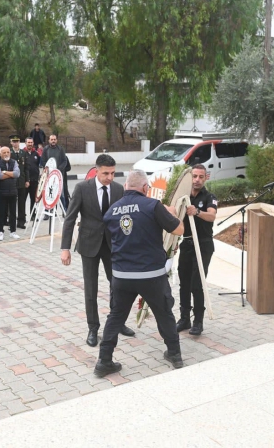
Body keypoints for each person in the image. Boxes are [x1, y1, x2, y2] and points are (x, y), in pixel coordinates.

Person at [95, 169, 185, 377]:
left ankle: (103, 361)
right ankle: (175, 354)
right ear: (146, 188)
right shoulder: (153, 205)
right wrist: (171, 213)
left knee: (116, 316)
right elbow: (178, 230)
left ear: (126, 187)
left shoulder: (111, 211)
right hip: (151, 275)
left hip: (122, 276)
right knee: (164, 313)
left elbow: (111, 242)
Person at [61, 154, 134, 347]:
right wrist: (65, 248)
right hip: (88, 245)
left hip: (113, 246)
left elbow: (125, 218)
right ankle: (93, 328)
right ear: (96, 170)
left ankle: (118, 322)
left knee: (117, 286)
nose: (110, 177)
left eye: (112, 173)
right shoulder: (82, 188)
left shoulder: (119, 189)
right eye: (105, 173)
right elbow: (70, 218)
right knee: (90, 288)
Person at [176, 164, 218, 336]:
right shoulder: (184, 197)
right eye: (194, 176)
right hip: (186, 244)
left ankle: (198, 321)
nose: (197, 180)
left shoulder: (209, 197)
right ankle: (184, 318)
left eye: (201, 177)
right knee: (184, 283)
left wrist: (197, 211)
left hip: (203, 244)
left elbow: (212, 215)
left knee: (197, 284)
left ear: (206, 178)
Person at [0, 147, 20, 241]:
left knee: (12, 213)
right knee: (0, 213)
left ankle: (13, 231)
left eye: (8, 152)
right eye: (4, 152)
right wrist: (10, 174)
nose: (6, 154)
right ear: (0, 154)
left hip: (13, 191)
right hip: (1, 192)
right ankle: (0, 232)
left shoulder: (14, 162)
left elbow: (17, 174)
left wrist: (5, 172)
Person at [41, 135, 69, 210]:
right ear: (49, 140)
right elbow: (43, 161)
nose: (53, 141)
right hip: (49, 176)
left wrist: (58, 169)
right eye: (51, 139)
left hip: (59, 175)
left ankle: (65, 211)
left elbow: (64, 161)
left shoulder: (61, 149)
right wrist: (48, 169)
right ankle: (48, 212)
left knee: (61, 194)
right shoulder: (45, 149)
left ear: (56, 140)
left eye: (54, 139)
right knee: (48, 194)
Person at [9, 135, 30, 229]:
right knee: (12, 203)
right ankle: (11, 222)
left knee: (22, 202)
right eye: (14, 141)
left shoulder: (23, 153)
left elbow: (26, 168)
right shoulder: (8, 152)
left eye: (17, 141)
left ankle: (21, 221)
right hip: (12, 182)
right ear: (11, 142)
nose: (15, 143)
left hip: (21, 181)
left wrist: (27, 180)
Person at [24, 138, 41, 220]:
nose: (30, 144)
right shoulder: (22, 153)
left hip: (34, 180)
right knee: (22, 200)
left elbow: (38, 164)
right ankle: (22, 216)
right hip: (25, 181)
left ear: (33, 143)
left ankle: (33, 215)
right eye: (28, 142)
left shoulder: (36, 153)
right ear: (25, 143)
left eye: (31, 142)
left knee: (33, 199)